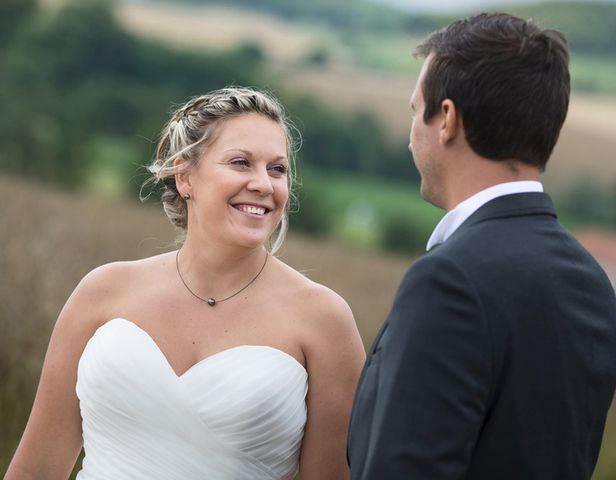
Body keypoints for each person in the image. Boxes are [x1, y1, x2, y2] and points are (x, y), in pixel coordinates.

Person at [6, 87, 365, 479]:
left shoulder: (323, 320)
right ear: (184, 176)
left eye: (277, 169)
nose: (264, 184)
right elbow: (33, 470)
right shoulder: (103, 291)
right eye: (242, 162)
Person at [347, 12, 616, 480]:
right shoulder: (591, 282)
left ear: (447, 120)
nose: (412, 133)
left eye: (416, 111)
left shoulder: (451, 280)